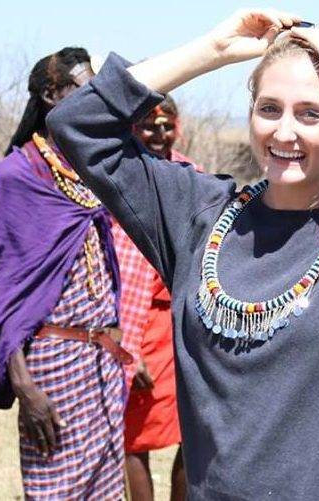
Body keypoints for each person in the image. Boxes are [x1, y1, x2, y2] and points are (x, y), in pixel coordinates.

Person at [47, 9, 319, 499]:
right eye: (269, 108)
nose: (285, 132)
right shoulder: (196, 215)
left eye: (311, 113)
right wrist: (211, 51)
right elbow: (77, 125)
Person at [0, 47, 132, 500]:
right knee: (55, 491)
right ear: (49, 96)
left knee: (106, 492)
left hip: (101, 360)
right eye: (84, 89)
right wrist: (22, 384)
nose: (95, 99)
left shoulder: (91, 168)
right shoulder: (17, 175)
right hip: (50, 361)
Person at [119, 95, 191, 501]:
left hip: (186, 325)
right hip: (136, 327)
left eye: (167, 126)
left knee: (193, 434)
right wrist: (129, 343)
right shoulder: (115, 179)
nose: (160, 135)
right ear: (132, 127)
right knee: (134, 438)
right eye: (150, 126)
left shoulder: (190, 174)